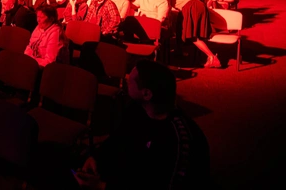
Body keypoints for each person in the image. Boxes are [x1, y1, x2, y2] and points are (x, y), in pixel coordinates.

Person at [74, 60, 210, 190]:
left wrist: (102, 187)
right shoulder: (137, 108)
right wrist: (96, 158)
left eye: (131, 80)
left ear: (146, 93)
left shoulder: (177, 140)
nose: (126, 80)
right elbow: (118, 138)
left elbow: (157, 185)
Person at [162, 0, 221, 68]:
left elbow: (167, 6)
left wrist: (165, 18)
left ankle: (212, 57)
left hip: (191, 7)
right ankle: (180, 51)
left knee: (192, 35)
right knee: (182, 29)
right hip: (196, 6)